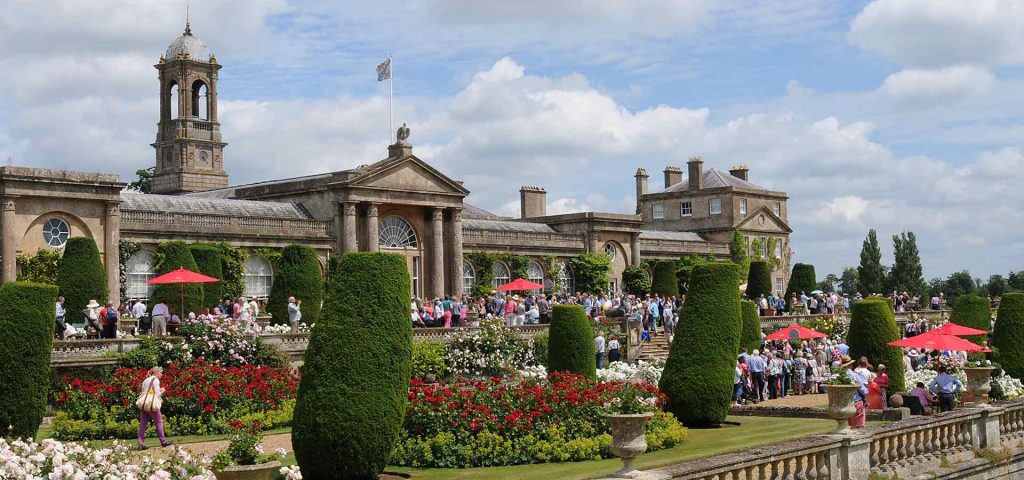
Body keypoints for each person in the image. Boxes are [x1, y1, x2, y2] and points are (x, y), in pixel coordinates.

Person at [136, 366, 173, 450]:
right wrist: (162, 391)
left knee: (143, 423)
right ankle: (163, 441)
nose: (161, 375)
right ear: (156, 372)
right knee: (159, 421)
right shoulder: (155, 380)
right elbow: (157, 394)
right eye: (160, 372)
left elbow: (143, 392)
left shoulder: (145, 380)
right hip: (151, 404)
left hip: (143, 403)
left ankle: (141, 442)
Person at [842, 355, 869, 429]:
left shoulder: (840, 376)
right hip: (856, 401)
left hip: (844, 403)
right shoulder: (854, 375)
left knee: (850, 426)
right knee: (859, 426)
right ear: (850, 365)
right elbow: (863, 390)